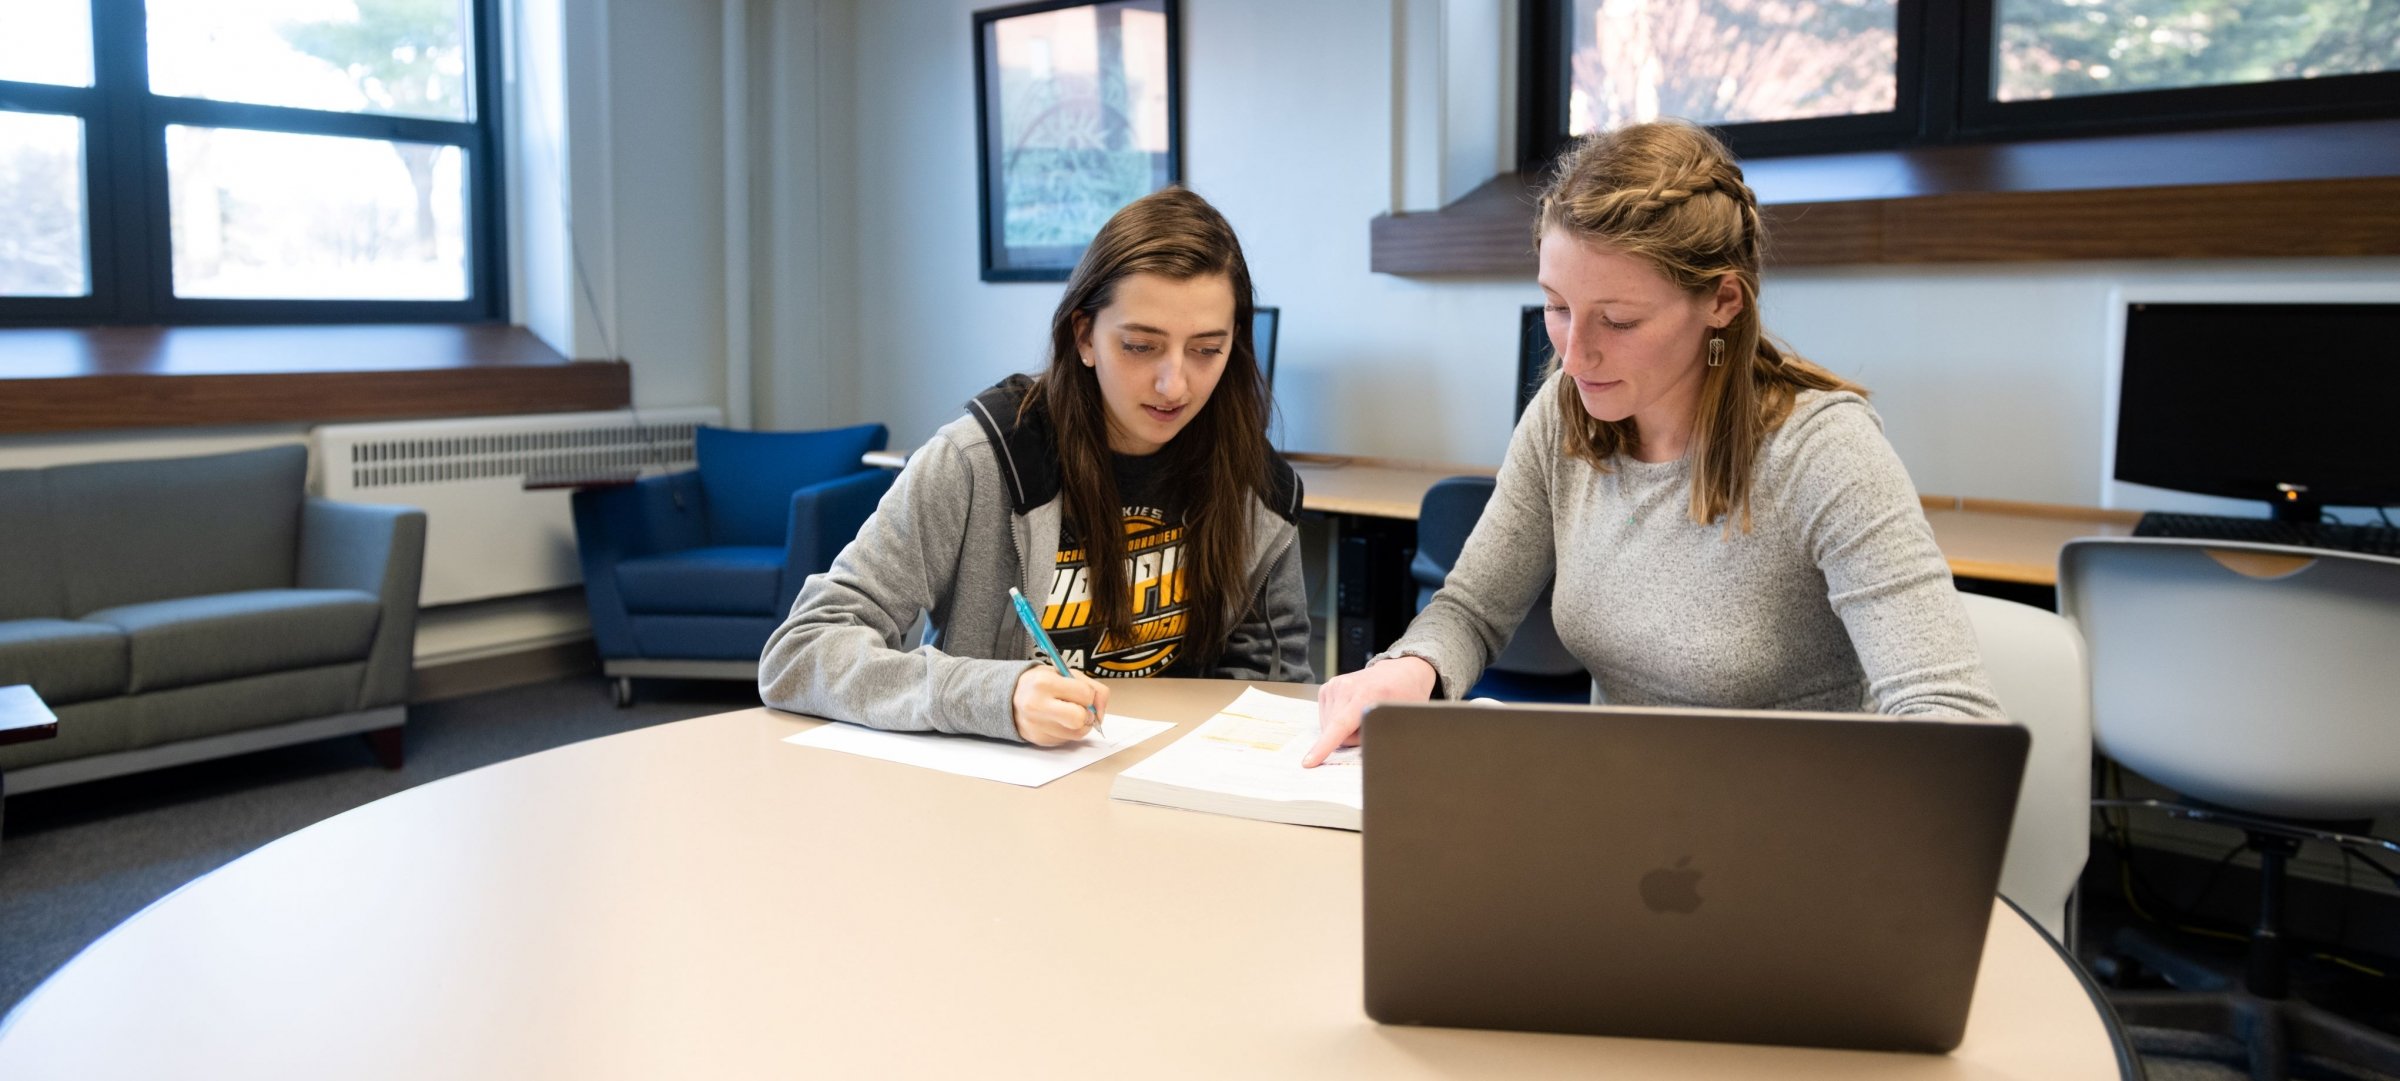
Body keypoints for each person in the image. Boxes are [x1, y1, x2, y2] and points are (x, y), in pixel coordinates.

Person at [1303, 120, 1999, 766]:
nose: (1575, 357)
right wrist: (1410, 666)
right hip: (1628, 829)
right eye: (1557, 307)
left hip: (1792, 839)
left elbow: (1953, 720)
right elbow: (1470, 610)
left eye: (1620, 321)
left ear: (1723, 302)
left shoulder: (1824, 453)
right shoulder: (1563, 417)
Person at [762, 187, 1311, 746]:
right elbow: (802, 652)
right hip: (1003, 801)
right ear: (1084, 336)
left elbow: (1277, 684)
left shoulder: (1254, 486)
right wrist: (997, 696)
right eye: (1141, 347)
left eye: (1205, 350)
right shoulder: (979, 462)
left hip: (1166, 796)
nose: (1175, 384)